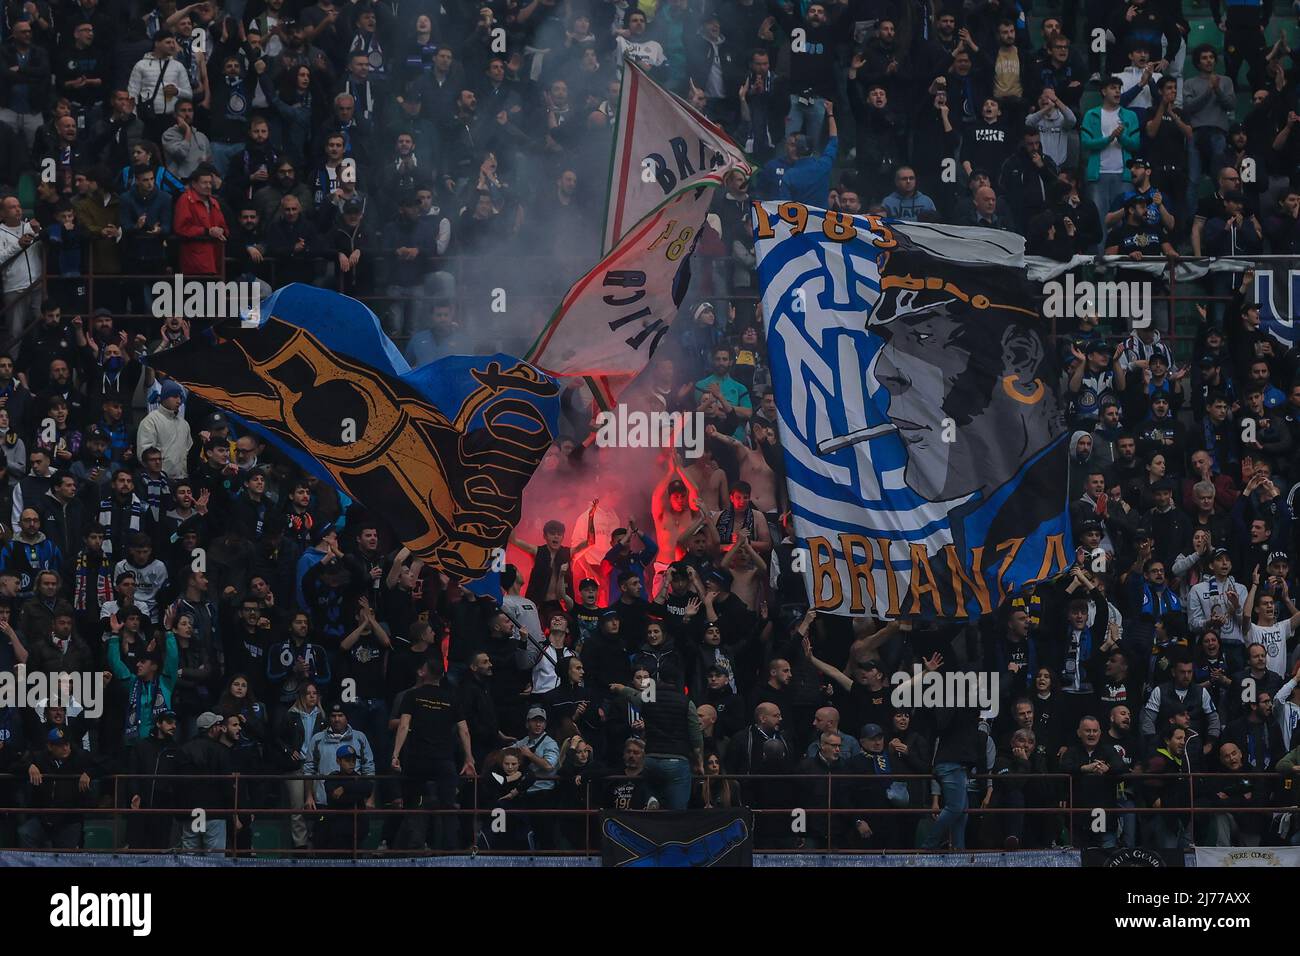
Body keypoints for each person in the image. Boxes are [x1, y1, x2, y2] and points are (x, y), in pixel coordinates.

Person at [391, 651, 475, 851]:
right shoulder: (450, 698)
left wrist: (395, 754)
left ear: (424, 673)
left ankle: (413, 849)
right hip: (444, 760)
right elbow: (464, 730)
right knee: (448, 807)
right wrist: (469, 758)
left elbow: (403, 726)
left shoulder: (412, 695)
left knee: (415, 804)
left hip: (418, 759)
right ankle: (451, 852)